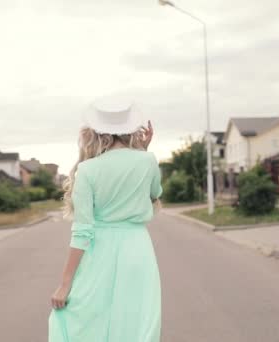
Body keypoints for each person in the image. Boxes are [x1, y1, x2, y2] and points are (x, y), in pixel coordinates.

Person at [48, 97, 163, 342]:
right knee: (136, 319)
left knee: (89, 317)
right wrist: (143, 151)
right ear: (132, 128)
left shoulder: (87, 170)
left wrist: (65, 283)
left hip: (98, 251)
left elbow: (82, 231)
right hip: (138, 250)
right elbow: (155, 194)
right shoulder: (148, 160)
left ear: (97, 130)